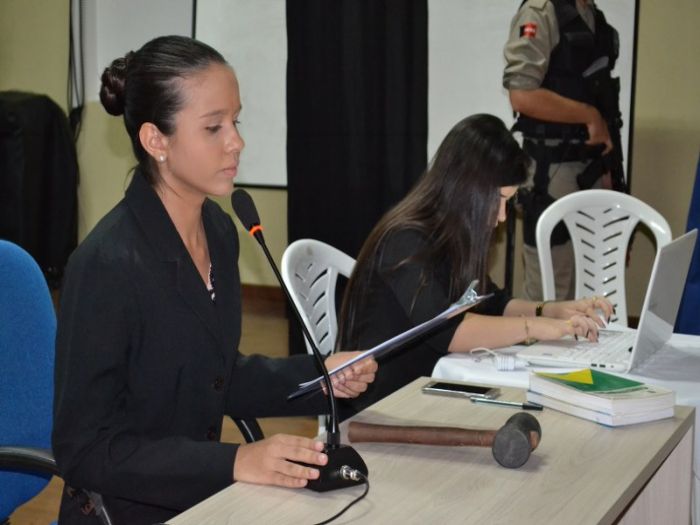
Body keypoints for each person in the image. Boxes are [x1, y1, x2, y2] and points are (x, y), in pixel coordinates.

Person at [52, 35, 377, 525]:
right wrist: (235, 462)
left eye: (235, 122)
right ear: (156, 141)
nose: (236, 142)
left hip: (199, 498)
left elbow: (217, 374)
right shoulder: (106, 265)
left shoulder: (220, 232)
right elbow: (85, 450)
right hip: (124, 510)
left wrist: (320, 377)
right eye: (213, 127)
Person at [335, 114, 613, 417]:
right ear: (468, 189)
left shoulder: (452, 233)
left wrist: (550, 310)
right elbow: (448, 332)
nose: (503, 216)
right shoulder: (406, 240)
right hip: (383, 407)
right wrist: (538, 327)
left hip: (426, 388)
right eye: (499, 199)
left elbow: (492, 303)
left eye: (509, 201)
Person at [503, 0, 625, 301]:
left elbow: (602, 99)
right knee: (550, 293)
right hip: (553, 171)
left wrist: (609, 170)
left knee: (590, 289)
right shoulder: (542, 11)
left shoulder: (593, 16)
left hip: (592, 169)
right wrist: (588, 116)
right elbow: (522, 94)